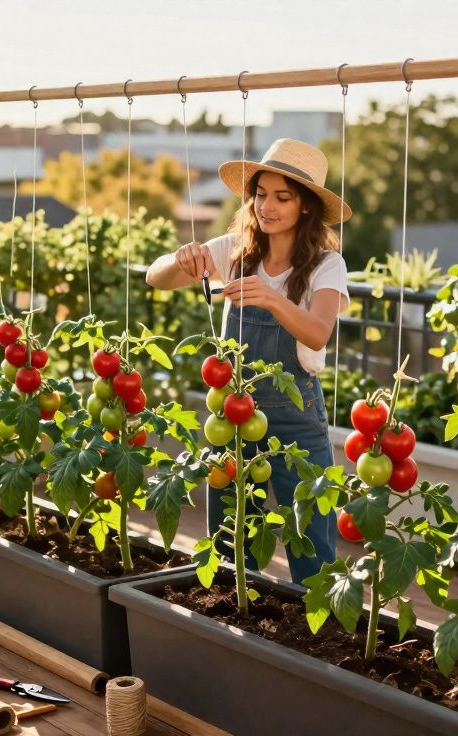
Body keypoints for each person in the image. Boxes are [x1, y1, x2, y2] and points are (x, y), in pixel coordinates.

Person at [146, 138, 350, 585]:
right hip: (233, 416)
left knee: (311, 540)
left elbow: (318, 331)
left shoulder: (325, 265)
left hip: (296, 418)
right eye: (260, 195)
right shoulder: (237, 251)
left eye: (282, 197)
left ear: (307, 208)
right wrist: (180, 256)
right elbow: (155, 278)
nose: (267, 206)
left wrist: (272, 300)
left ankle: (315, 645)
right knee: (231, 540)